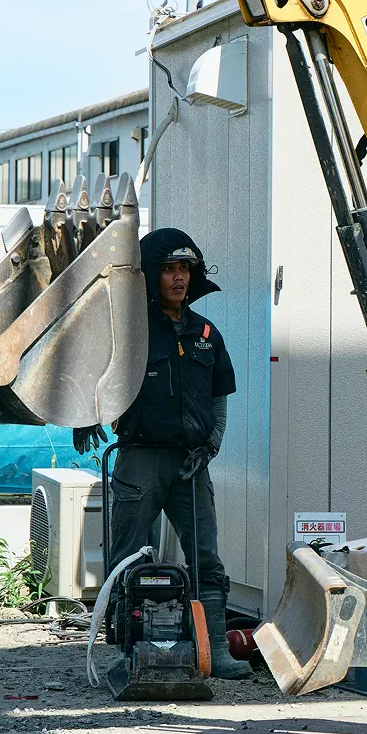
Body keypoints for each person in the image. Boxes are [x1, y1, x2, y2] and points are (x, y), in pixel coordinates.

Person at [74, 228, 252, 680]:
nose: (179, 278)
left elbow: (218, 398)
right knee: (128, 559)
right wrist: (84, 414)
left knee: (206, 559)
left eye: (185, 269)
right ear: (151, 276)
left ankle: (215, 650)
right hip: (139, 461)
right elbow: (91, 368)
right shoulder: (128, 330)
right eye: (169, 269)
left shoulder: (207, 334)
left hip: (191, 464)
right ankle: (128, 650)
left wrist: (211, 446)